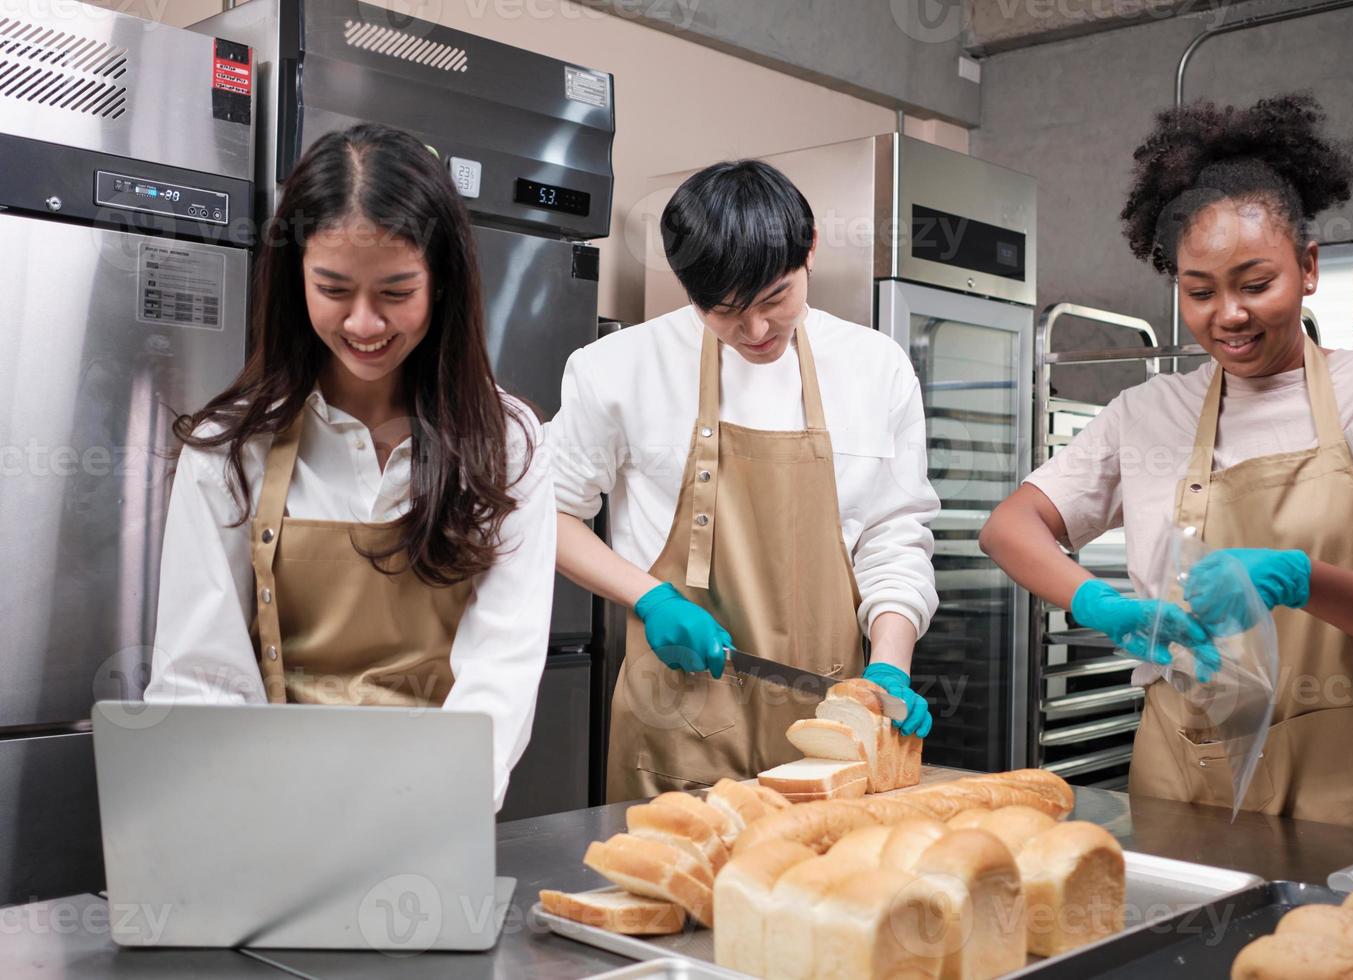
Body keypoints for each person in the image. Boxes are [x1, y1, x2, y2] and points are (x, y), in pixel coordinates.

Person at [981, 93, 1353, 826]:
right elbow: (1009, 528)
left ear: (1307, 268)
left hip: (1339, 773)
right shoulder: (1148, 413)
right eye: (1199, 291)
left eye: (1255, 283)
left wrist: (1297, 579)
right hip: (1181, 767)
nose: (1228, 316)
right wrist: (1102, 604)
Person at [145, 124, 555, 808]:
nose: (365, 324)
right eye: (333, 289)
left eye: (396, 292)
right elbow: (201, 679)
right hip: (269, 807)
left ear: (443, 284)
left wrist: (426, 810)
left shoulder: (507, 442)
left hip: (433, 807)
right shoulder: (229, 444)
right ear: (294, 278)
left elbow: (499, 671)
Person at [548, 160, 940, 801]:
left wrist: (889, 670)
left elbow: (895, 535)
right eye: (724, 312)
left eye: (776, 299)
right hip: (675, 729)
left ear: (809, 250)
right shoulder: (615, 369)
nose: (756, 332)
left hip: (832, 736)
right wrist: (649, 599)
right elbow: (548, 514)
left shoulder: (876, 369)